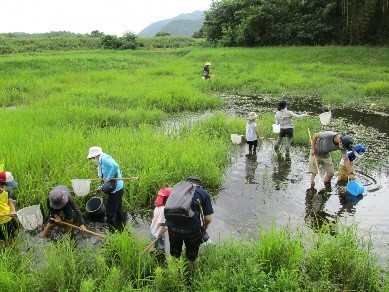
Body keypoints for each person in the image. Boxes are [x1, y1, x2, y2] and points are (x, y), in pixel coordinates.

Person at [165, 176, 213, 269]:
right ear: (199, 185)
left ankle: (175, 273)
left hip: (173, 228)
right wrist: (204, 227)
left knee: (175, 255)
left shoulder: (176, 189)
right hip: (192, 230)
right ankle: (191, 274)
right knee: (192, 256)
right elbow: (208, 218)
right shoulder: (202, 192)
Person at [87, 146, 125, 232]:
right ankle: (121, 225)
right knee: (118, 208)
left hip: (115, 190)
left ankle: (112, 230)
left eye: (92, 158)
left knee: (109, 213)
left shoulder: (104, 158)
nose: (92, 160)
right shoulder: (100, 163)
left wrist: (110, 177)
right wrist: (100, 187)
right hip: (118, 188)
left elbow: (115, 166)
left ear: (95, 156)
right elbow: (103, 179)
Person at [149, 187, 172, 263]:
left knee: (156, 248)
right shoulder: (163, 210)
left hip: (153, 230)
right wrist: (171, 223)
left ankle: (155, 259)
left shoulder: (158, 207)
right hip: (158, 234)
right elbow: (160, 223)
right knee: (161, 249)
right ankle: (161, 262)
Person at [0, 172, 18, 246]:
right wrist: (6, 214)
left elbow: (9, 202)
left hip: (9, 218)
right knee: (7, 239)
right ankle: (10, 252)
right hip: (1, 222)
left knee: (15, 231)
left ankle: (14, 245)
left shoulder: (7, 191)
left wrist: (13, 211)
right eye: (7, 185)